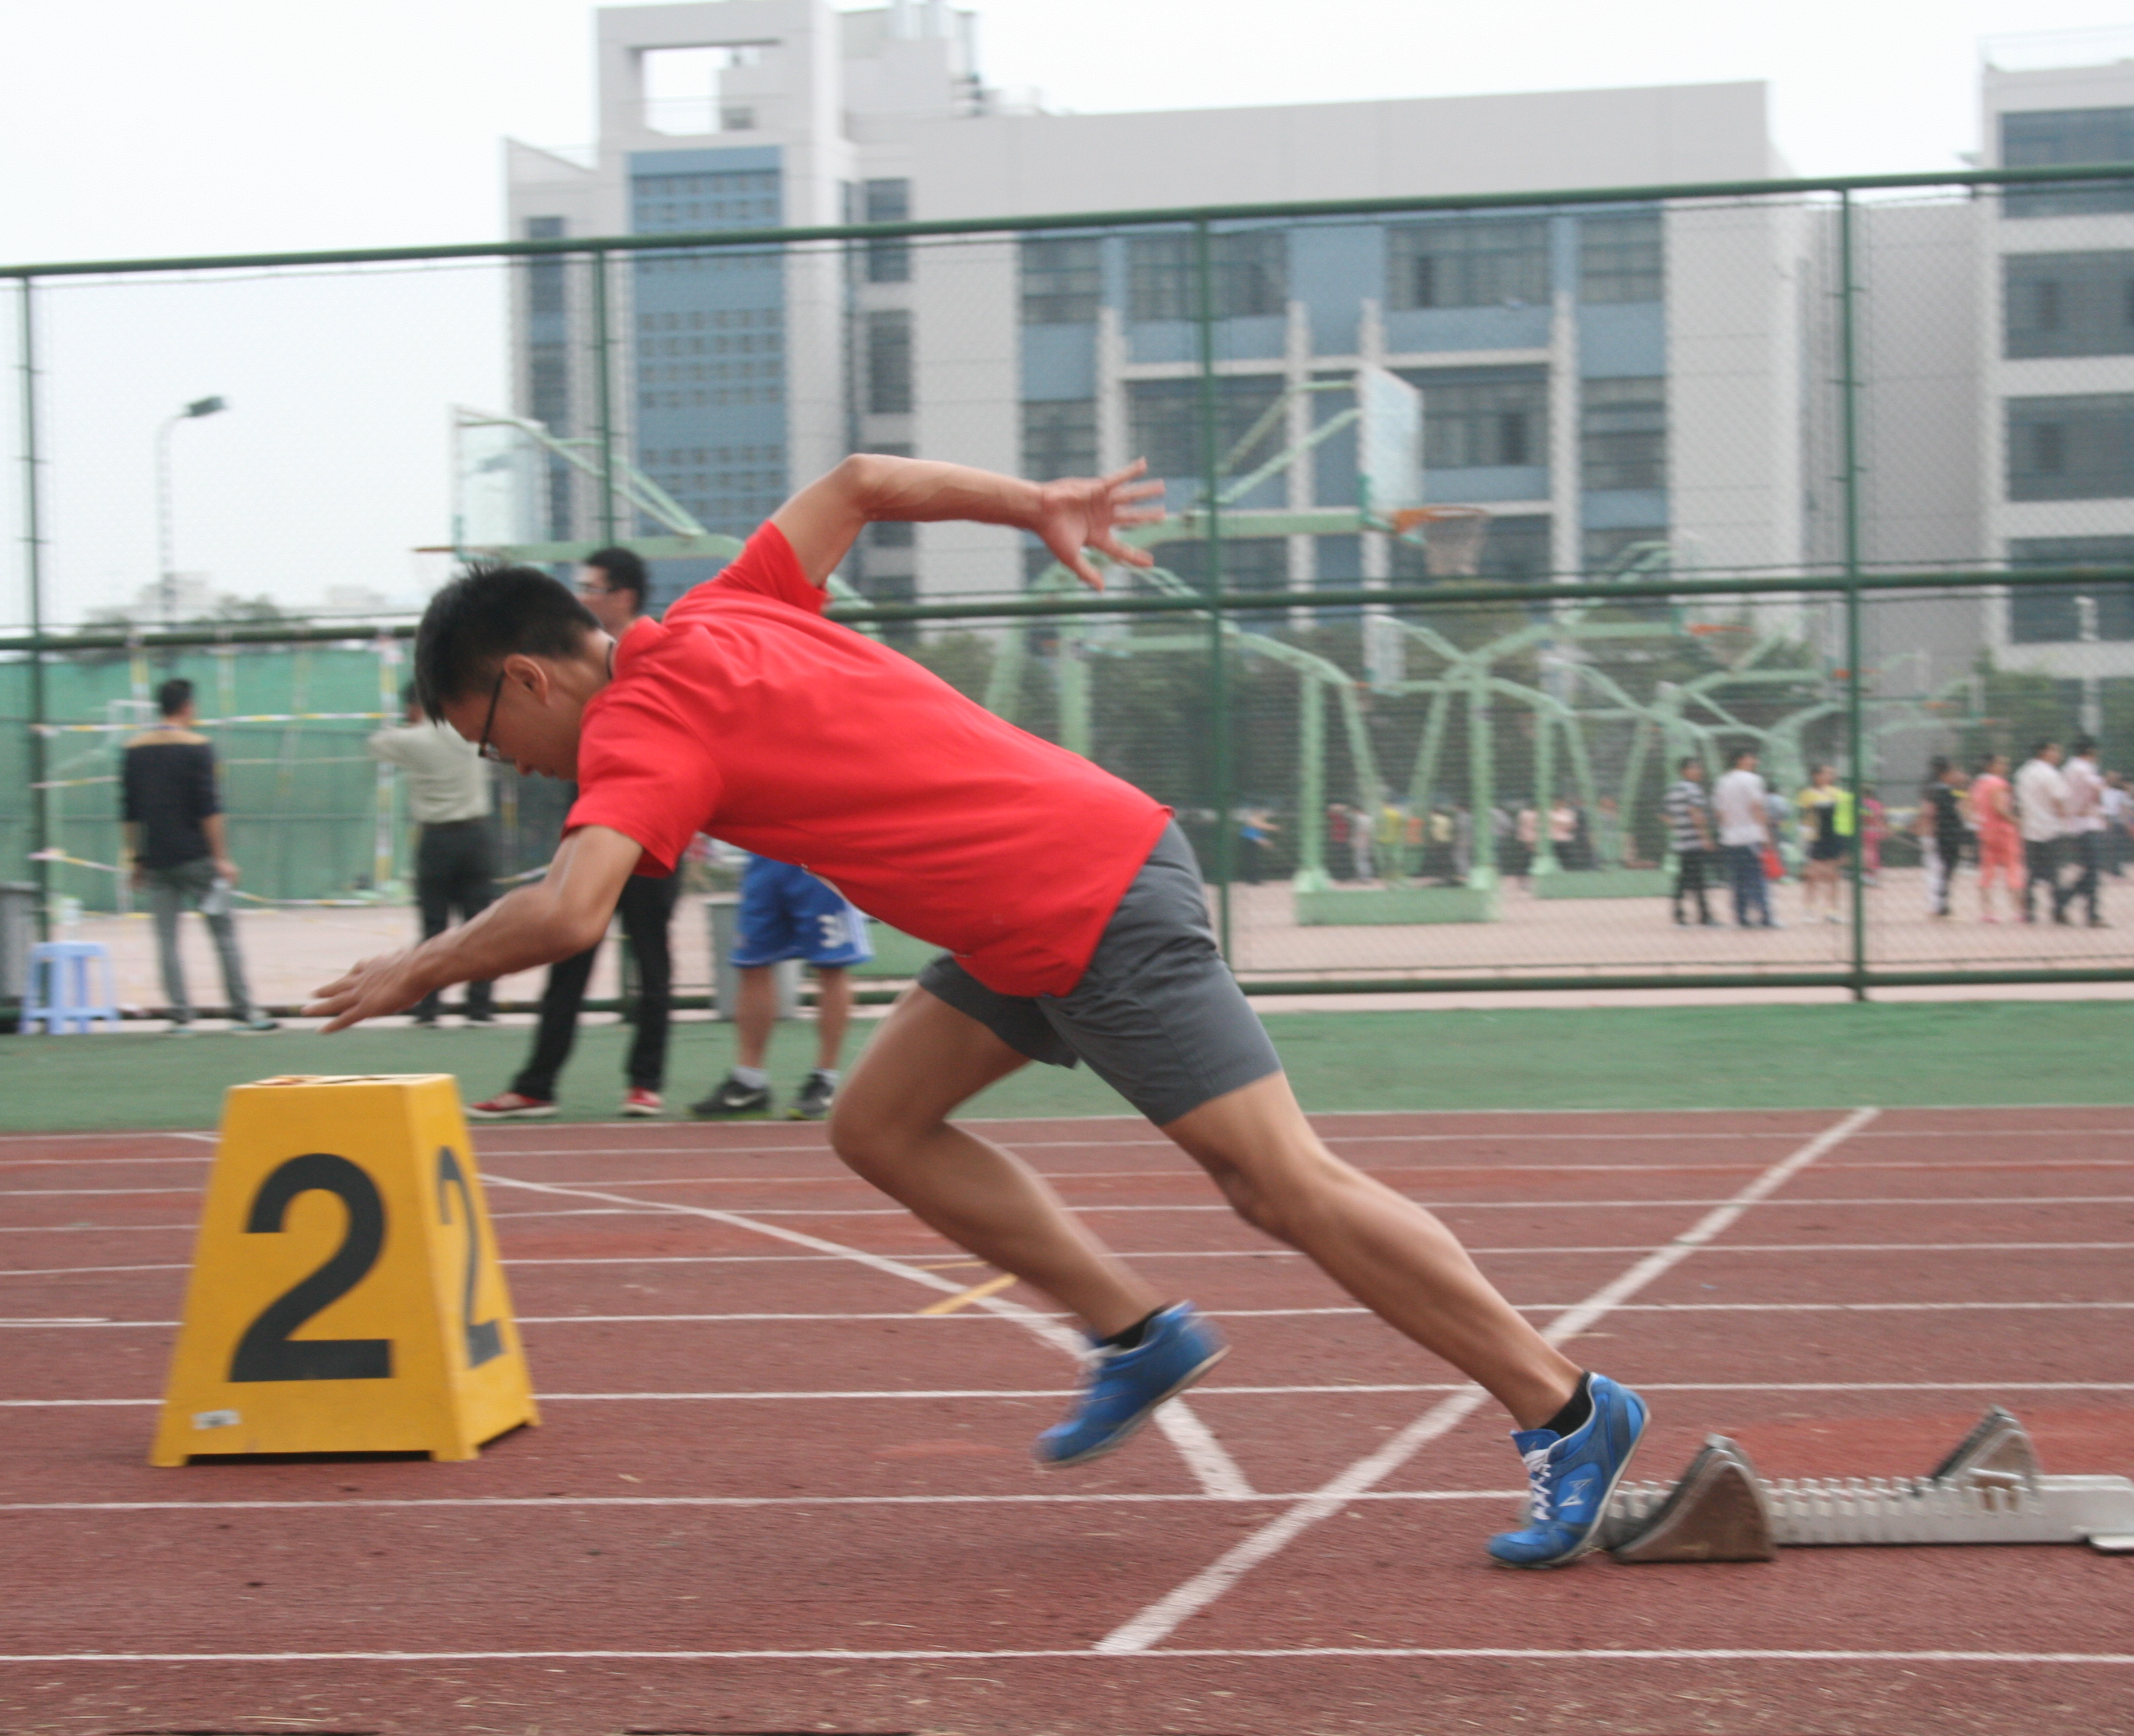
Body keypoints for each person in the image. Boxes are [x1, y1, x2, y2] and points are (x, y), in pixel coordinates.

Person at [308, 451, 1642, 1569]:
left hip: (1091, 902)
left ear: (526, 682)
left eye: (493, 743)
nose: (511, 768)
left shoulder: (645, 729)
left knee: (1282, 1184)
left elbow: (566, 910)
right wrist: (1037, 504)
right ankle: (1137, 1329)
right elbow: (860, 482)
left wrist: (414, 968)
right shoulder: (729, 605)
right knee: (881, 1124)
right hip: (1019, 922)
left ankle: (1564, 1407)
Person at [468, 547, 678, 1120]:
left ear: (624, 596)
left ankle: (644, 1082)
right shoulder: (568, 666)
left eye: (593, 586)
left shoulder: (657, 659)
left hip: (652, 827)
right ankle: (537, 1084)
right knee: (567, 949)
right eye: (579, 586)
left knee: (651, 957)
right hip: (592, 816)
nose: (582, 595)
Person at [119, 678, 276, 1033]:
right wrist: (221, 857)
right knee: (223, 935)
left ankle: (180, 1017)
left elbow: (129, 813)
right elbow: (209, 808)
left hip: (157, 862)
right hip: (199, 861)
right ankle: (244, 1011)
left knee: (167, 941)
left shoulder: (134, 750)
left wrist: (136, 859)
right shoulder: (198, 747)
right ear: (188, 707)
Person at [693, 853, 870, 1121]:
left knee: (832, 964)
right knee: (752, 962)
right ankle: (749, 1081)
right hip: (764, 854)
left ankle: (825, 1080)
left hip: (822, 852)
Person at [368, 682, 500, 1027]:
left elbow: (377, 743)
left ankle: (429, 1009)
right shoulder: (470, 733)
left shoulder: (412, 740)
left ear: (415, 708)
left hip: (436, 840)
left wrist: (412, 725)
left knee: (433, 928)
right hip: (476, 836)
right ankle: (480, 1009)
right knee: (480, 927)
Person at [1712, 747, 1775, 928]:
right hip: (1751, 836)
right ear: (1741, 759)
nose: (1754, 761)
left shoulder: (1722, 782)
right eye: (1751, 757)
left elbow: (1719, 813)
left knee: (1737, 879)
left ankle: (1741, 917)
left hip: (1730, 837)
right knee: (1756, 877)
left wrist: (1730, 827)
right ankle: (1765, 916)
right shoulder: (1752, 780)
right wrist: (1766, 835)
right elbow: (1757, 807)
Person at [2016, 739, 2070, 924]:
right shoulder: (2050, 774)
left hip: (2029, 829)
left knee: (2030, 873)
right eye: (2055, 751)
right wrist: (2064, 820)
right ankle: (2058, 910)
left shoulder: (2023, 773)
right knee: (2054, 873)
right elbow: (2058, 801)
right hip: (2049, 829)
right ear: (2045, 752)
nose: (2058, 755)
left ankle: (2029, 911)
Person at [1661, 755, 1718, 925]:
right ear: (1685, 771)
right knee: (1698, 879)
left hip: (1682, 841)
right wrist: (1705, 838)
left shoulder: (1673, 790)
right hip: (1694, 842)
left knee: (1685, 879)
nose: (1699, 771)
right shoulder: (1693, 790)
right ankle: (1704, 915)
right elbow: (1696, 814)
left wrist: (1678, 826)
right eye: (1695, 768)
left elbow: (1663, 814)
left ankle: (1680, 912)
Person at [2058, 736, 2108, 926]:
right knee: (2093, 870)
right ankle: (2090, 913)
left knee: (2091, 870)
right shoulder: (2084, 768)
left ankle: (2063, 901)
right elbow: (2098, 788)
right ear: (2092, 751)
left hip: (2076, 824)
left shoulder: (2069, 768)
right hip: (2087, 824)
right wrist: (2092, 803)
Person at [1968, 750, 2022, 922]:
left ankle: (1988, 911)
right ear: (1992, 766)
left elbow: (1967, 805)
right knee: (2012, 869)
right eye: (2001, 763)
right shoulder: (1999, 783)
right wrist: (2016, 822)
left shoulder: (1978, 783)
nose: (2005, 766)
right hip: (2004, 831)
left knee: (1987, 871)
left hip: (1986, 831)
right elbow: (2000, 808)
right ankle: (2018, 910)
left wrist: (1975, 820)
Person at [1793, 764, 1851, 924]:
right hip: (1816, 839)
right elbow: (1804, 818)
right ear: (1816, 776)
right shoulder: (1806, 795)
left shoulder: (1839, 794)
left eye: (1832, 773)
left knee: (1833, 875)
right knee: (1813, 875)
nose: (1831, 776)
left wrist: (1845, 843)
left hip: (1835, 837)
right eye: (1827, 773)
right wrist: (1806, 839)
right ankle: (1808, 909)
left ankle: (1832, 911)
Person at [1916, 755, 1969, 919]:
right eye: (1953, 770)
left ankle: (1940, 903)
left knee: (1942, 870)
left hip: (1945, 834)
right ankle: (1936, 904)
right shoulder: (1936, 790)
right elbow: (1928, 812)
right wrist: (1927, 830)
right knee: (1936, 870)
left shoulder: (1947, 790)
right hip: (1937, 835)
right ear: (1945, 773)